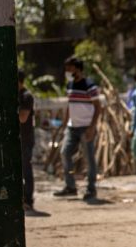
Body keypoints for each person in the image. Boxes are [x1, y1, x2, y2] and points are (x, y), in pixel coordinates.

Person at [54, 56, 100, 201]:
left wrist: (92, 128)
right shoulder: (70, 85)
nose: (67, 70)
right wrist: (65, 122)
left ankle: (91, 189)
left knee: (89, 159)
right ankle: (71, 187)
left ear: (77, 68)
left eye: (69, 67)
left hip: (86, 127)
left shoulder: (89, 85)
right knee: (65, 153)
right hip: (72, 127)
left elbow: (98, 107)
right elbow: (70, 104)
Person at [18, 71, 44, 216]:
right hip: (21, 138)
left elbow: (23, 118)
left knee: (26, 168)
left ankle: (28, 200)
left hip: (26, 138)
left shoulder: (26, 96)